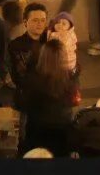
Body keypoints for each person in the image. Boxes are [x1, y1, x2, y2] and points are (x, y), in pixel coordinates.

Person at [13, 26, 78, 156]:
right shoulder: (69, 79)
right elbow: (74, 102)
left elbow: (21, 104)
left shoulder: (32, 80)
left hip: (37, 133)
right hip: (63, 133)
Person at [6, 1, 51, 87]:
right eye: (35, 20)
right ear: (25, 22)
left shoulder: (51, 41)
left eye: (43, 20)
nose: (40, 24)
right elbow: (19, 76)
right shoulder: (16, 45)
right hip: (30, 93)